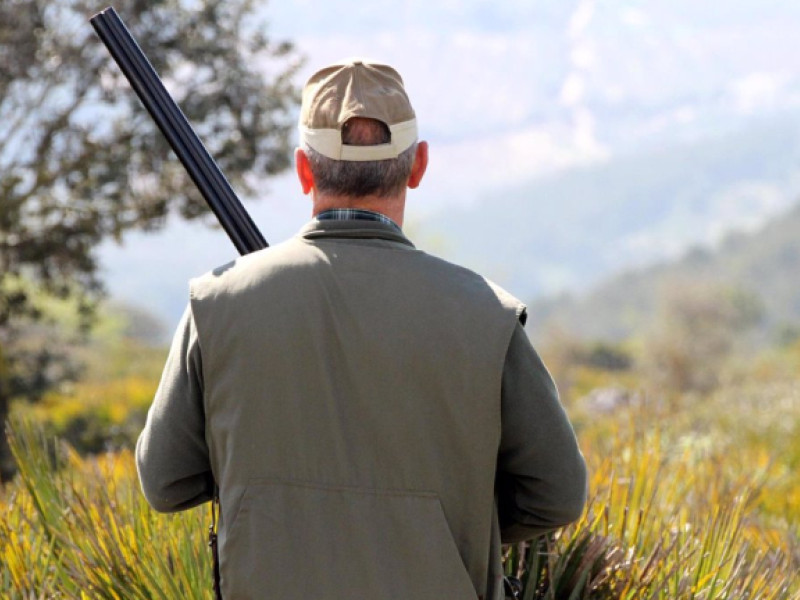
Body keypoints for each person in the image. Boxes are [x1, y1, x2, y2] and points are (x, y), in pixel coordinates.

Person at [136, 58, 587, 600]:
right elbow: (557, 493)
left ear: (304, 169)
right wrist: (442, 521)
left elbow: (166, 481)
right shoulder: (486, 314)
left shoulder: (215, 303)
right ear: (418, 165)